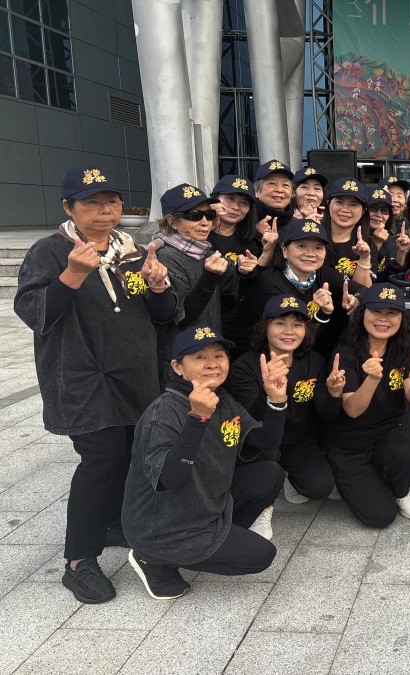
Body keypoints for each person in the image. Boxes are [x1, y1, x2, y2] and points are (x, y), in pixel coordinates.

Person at [14, 166, 175, 604]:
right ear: (69, 207)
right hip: (83, 377)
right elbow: (34, 312)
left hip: (134, 374)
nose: (105, 211)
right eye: (92, 202)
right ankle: (79, 561)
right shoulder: (50, 252)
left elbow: (161, 316)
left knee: (129, 452)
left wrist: (159, 287)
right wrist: (71, 275)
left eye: (112, 202)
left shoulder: (132, 252)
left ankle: (111, 521)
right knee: (101, 459)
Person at [122, 325, 288, 600]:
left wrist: (277, 400)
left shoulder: (223, 401)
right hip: (165, 527)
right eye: (200, 357)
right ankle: (153, 560)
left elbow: (265, 441)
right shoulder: (163, 412)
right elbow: (169, 478)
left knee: (269, 473)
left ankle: (218, 537)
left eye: (219, 356)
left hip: (204, 502)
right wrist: (197, 419)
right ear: (177, 367)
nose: (212, 363)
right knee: (260, 556)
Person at [324, 283, 410, 527]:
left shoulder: (404, 347)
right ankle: (344, 477)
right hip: (347, 444)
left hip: (385, 434)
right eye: (376, 311)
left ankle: (400, 491)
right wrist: (372, 379)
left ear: (401, 318)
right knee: (380, 517)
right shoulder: (346, 352)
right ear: (363, 313)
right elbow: (352, 410)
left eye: (391, 313)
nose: (383, 319)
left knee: (407, 454)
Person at [227, 294, 337, 504]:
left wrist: (334, 394)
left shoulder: (315, 361)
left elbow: (327, 413)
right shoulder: (244, 366)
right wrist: (269, 393)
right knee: (264, 470)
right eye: (280, 323)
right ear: (265, 327)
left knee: (320, 487)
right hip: (262, 442)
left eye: (297, 324)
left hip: (299, 440)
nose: (289, 331)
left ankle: (288, 474)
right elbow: (251, 417)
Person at [221, 219, 362, 359]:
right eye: (302, 246)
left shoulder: (321, 272)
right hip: (243, 355)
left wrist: (356, 299)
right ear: (284, 250)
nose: (311, 253)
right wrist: (323, 313)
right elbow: (297, 339)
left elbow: (362, 290)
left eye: (318, 248)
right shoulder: (271, 286)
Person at [153, 183, 237, 383]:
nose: (205, 222)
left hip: (210, 347)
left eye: (209, 215)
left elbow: (226, 300)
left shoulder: (204, 251)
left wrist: (240, 270)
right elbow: (182, 316)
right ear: (173, 222)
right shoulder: (166, 256)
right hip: (183, 359)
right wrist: (210, 277)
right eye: (194, 215)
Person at [208, 174, 279, 316]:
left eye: (244, 203)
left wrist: (267, 251)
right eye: (230, 199)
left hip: (233, 315)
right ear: (215, 199)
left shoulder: (251, 241)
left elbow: (255, 276)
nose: (235, 207)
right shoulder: (197, 233)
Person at [322, 177, 374, 289]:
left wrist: (364, 259)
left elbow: (364, 291)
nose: (345, 209)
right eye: (339, 202)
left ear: (363, 211)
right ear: (329, 204)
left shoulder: (368, 244)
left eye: (353, 204)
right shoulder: (315, 237)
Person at [253, 159, 297, 231]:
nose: (279, 190)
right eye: (272, 183)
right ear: (256, 191)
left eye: (285, 185)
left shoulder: (298, 226)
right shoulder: (243, 220)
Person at [365, 186, 397, 280]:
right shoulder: (353, 235)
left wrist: (402, 253)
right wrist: (376, 244)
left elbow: (392, 275)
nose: (379, 215)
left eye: (384, 210)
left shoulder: (389, 238)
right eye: (373, 208)